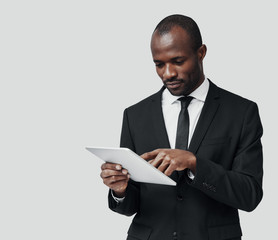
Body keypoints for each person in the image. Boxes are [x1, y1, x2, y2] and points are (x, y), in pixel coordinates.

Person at [100, 14, 263, 240]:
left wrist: (194, 163)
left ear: (201, 53)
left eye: (177, 61)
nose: (168, 74)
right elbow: (129, 205)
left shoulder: (241, 112)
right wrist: (120, 190)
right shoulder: (134, 115)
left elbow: (249, 195)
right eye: (159, 64)